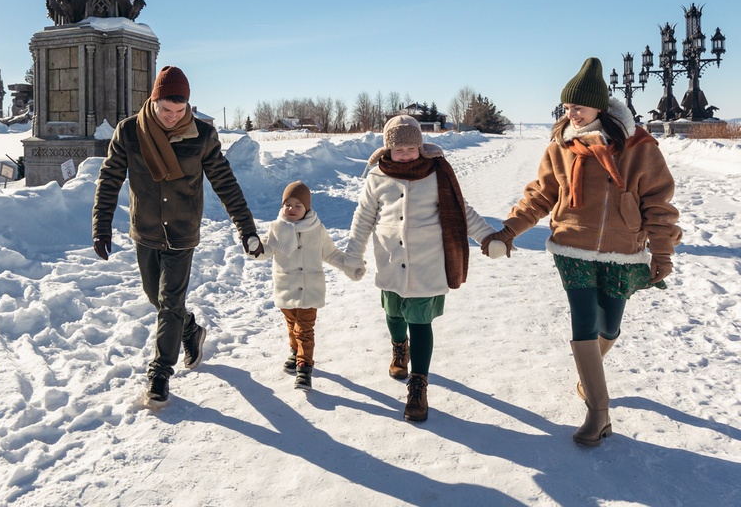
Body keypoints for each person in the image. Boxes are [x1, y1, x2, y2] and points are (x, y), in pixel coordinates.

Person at [483, 58, 680, 446]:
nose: (570, 113)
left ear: (600, 108)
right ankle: (598, 411)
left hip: (622, 251)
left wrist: (662, 252)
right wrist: (508, 232)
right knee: (584, 322)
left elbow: (659, 204)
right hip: (571, 246)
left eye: (578, 107)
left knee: (609, 325)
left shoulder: (639, 148)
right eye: (567, 106)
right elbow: (540, 194)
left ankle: (588, 377)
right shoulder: (561, 146)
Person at [92, 66, 260, 405]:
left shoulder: (202, 135)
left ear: (188, 106)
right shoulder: (129, 132)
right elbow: (110, 179)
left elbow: (225, 183)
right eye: (166, 110)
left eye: (179, 111)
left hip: (183, 232)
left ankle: (159, 374)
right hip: (146, 230)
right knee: (156, 298)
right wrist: (102, 224)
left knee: (169, 303)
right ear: (153, 101)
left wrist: (246, 228)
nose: (172, 117)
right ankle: (190, 330)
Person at [344, 115, 499, 422]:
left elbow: (461, 211)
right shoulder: (377, 177)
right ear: (389, 150)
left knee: (420, 320)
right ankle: (399, 348)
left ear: (420, 147)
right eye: (398, 149)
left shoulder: (436, 173)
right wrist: (353, 255)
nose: (405, 154)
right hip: (389, 261)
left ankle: (419, 383)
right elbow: (363, 218)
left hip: (428, 264)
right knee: (393, 314)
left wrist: (487, 237)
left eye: (411, 148)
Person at [247, 180, 365, 391]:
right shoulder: (276, 228)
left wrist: (350, 267)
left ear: (307, 208)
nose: (291, 209)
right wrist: (253, 247)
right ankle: (295, 351)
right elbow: (264, 250)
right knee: (292, 325)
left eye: (298, 205)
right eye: (288, 204)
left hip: (310, 290)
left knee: (304, 329)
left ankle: (304, 367)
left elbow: (330, 254)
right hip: (286, 289)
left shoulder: (317, 230)